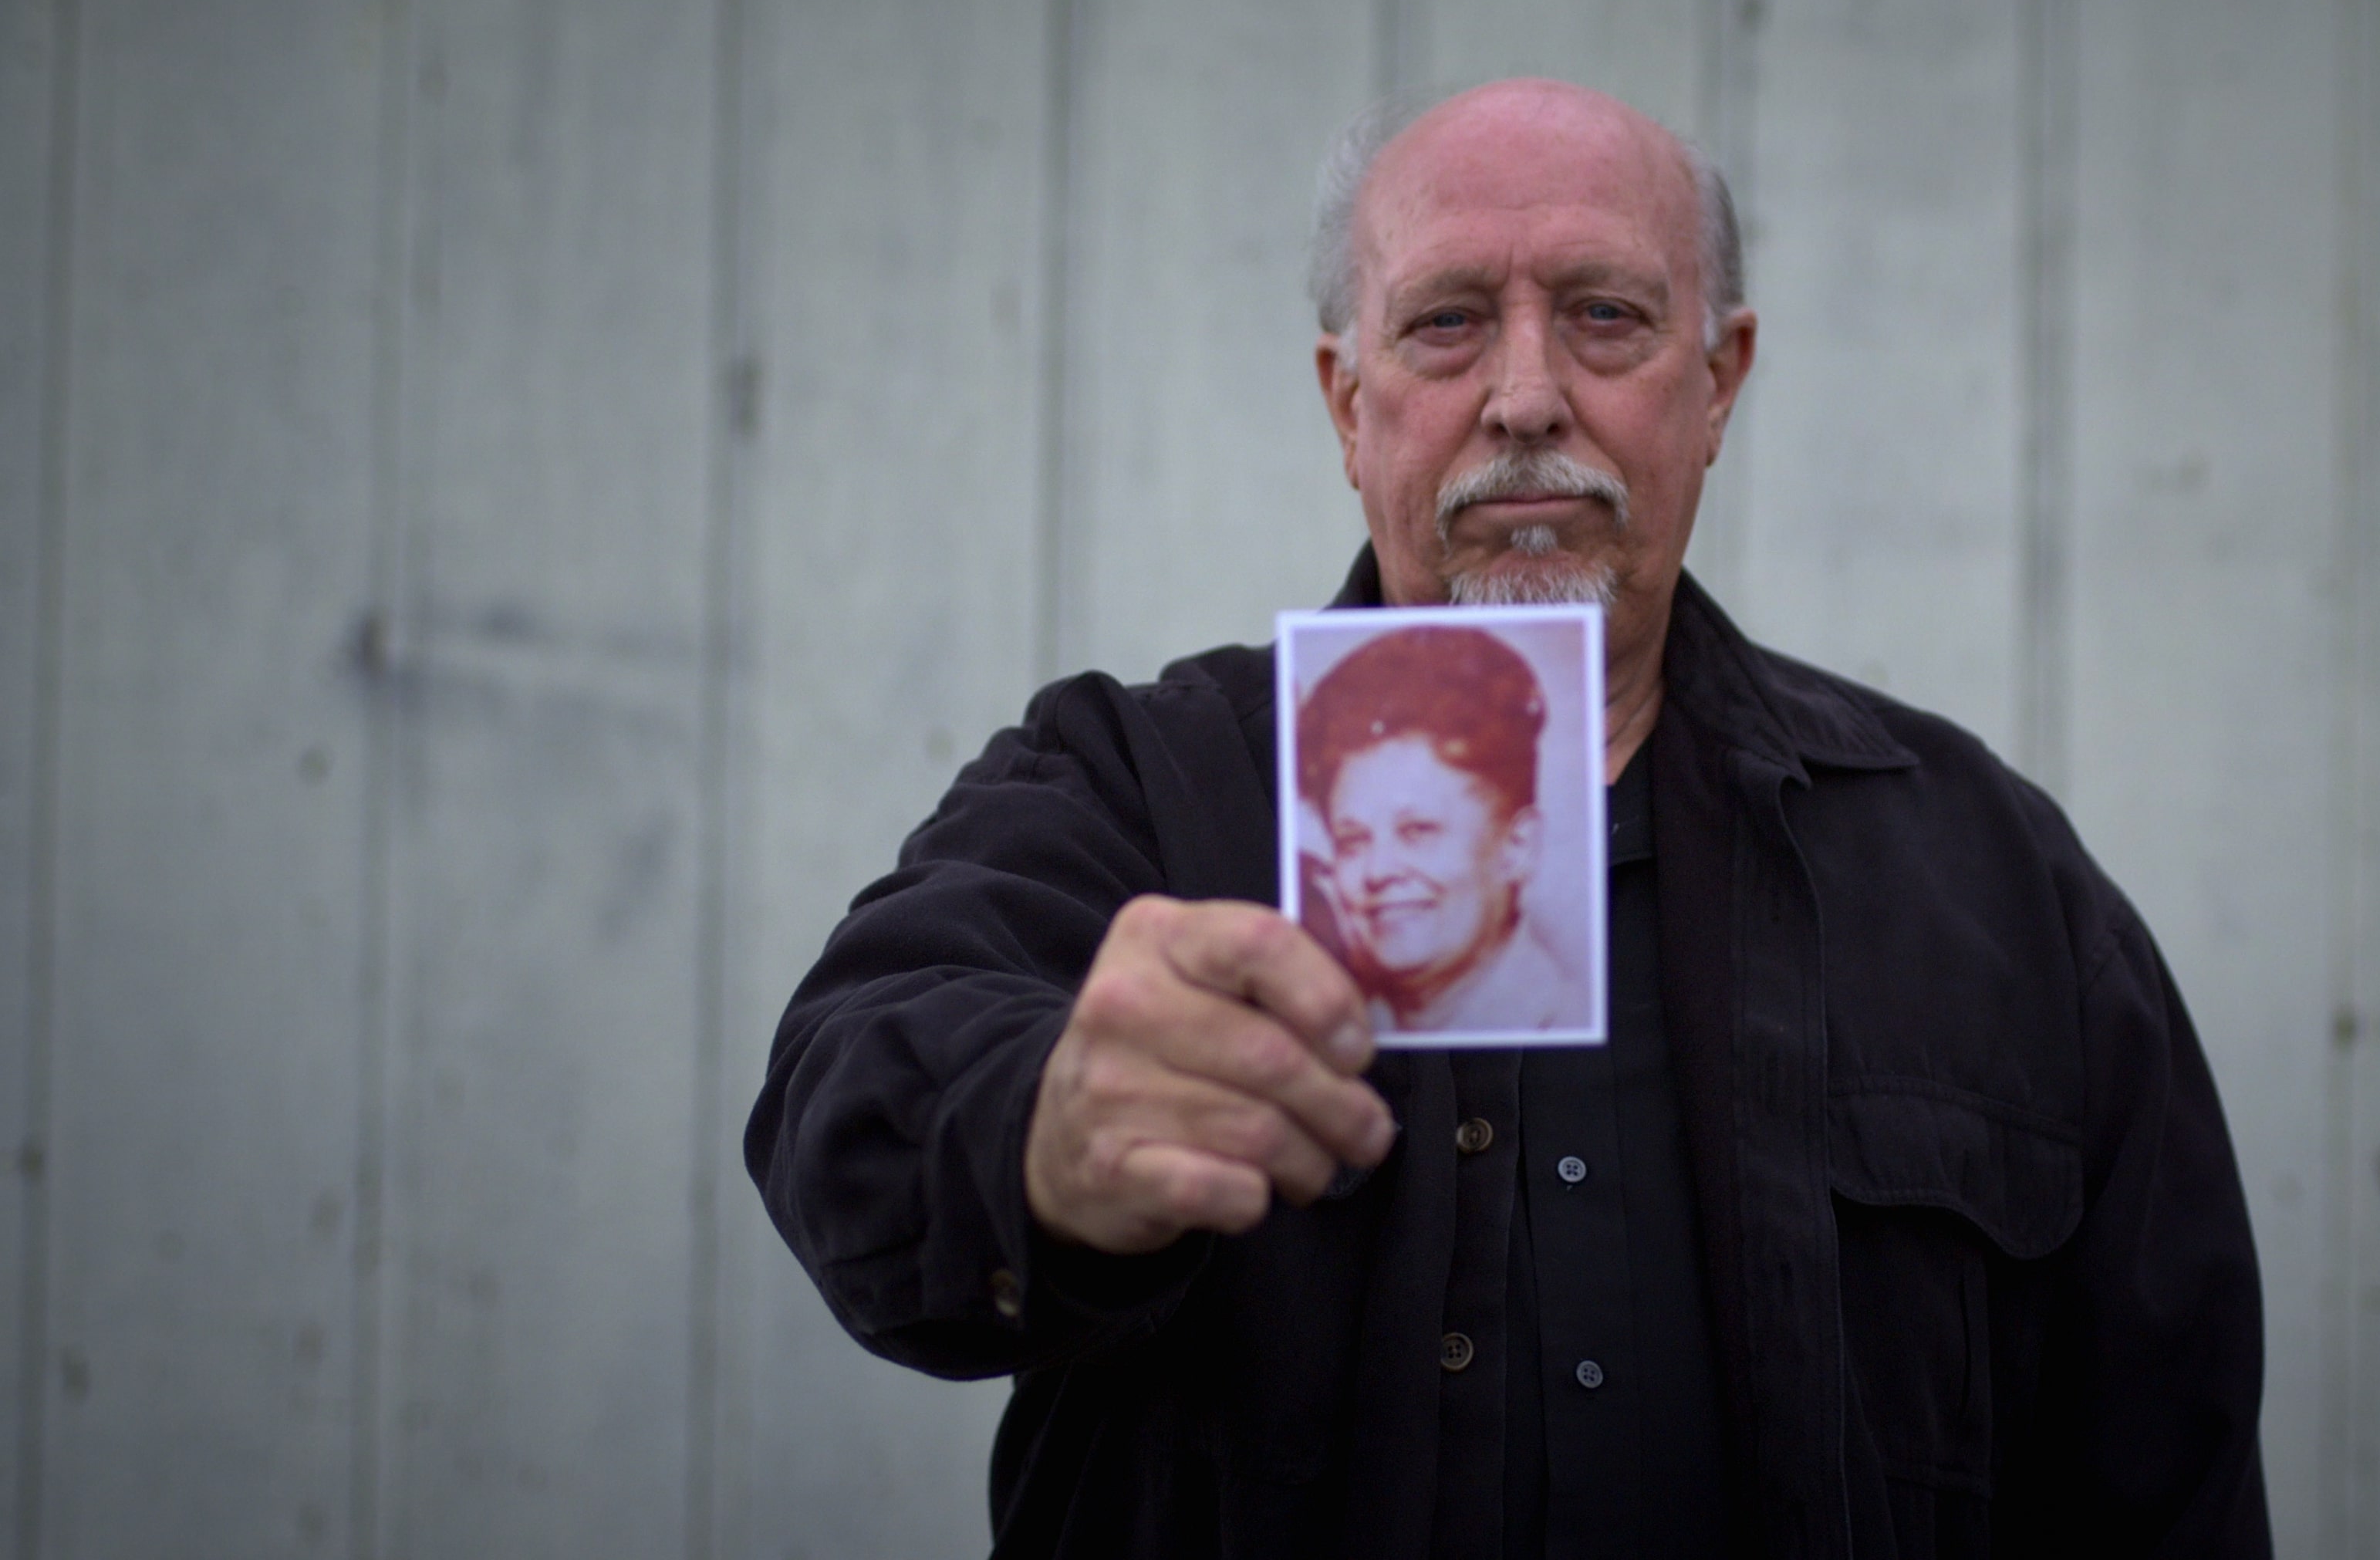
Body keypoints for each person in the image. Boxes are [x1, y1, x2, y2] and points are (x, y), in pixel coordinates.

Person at [747, 77, 2270, 1557]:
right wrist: (1043, 1128)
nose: (1528, 396)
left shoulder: (1989, 879)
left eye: (1606, 315)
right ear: (1351, 401)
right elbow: (844, 1095)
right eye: (1449, 321)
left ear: (1721, 380)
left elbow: (2169, 1473)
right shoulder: (1135, 787)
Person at [1296, 624, 1582, 1037]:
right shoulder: (1333, 1031)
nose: (1378, 872)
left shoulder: (1568, 1022)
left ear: (1518, 848)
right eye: (1353, 841)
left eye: (1417, 831)